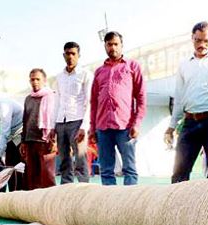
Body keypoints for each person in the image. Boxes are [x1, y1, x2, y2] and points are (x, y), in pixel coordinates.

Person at [164, 22, 208, 183]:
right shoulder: (184, 64)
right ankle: (176, 207)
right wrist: (172, 126)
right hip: (190, 121)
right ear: (192, 39)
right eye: (198, 40)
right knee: (179, 172)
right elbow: (179, 97)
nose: (202, 45)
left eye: (206, 41)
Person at [89, 31, 146, 186]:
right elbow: (94, 102)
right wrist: (92, 128)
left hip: (125, 126)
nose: (112, 47)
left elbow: (141, 98)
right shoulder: (99, 72)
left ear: (122, 46)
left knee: (129, 168)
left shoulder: (132, 67)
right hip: (103, 127)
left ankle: (130, 205)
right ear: (105, 46)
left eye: (115, 44)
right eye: (109, 44)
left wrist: (137, 123)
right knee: (106, 170)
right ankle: (109, 207)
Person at [53, 42, 93, 184]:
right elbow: (57, 100)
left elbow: (90, 101)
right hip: (61, 122)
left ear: (78, 55)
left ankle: (84, 192)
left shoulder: (86, 74)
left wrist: (85, 126)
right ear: (63, 55)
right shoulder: (59, 77)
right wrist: (53, 126)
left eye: (73, 53)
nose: (70, 56)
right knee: (64, 159)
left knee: (80, 159)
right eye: (67, 53)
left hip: (78, 121)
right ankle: (66, 190)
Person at [20, 68, 57, 190]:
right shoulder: (28, 99)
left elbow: (56, 119)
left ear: (44, 80)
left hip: (45, 141)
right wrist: (23, 142)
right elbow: (25, 120)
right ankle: (31, 205)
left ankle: (49, 204)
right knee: (31, 176)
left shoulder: (52, 97)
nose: (35, 82)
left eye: (37, 79)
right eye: (32, 79)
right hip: (30, 140)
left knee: (47, 176)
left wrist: (55, 140)